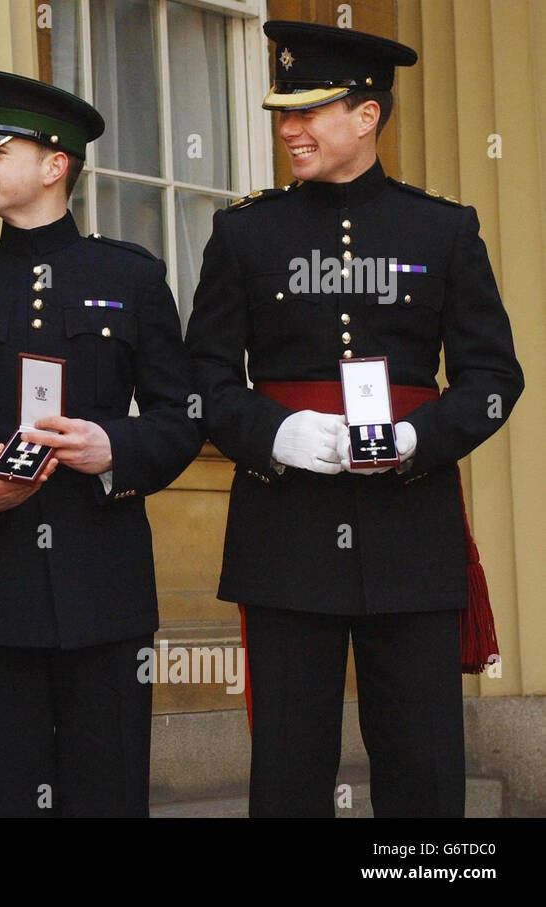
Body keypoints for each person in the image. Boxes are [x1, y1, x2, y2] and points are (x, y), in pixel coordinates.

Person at [185, 20, 523, 817]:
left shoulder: (442, 229)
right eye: (282, 112)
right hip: (286, 529)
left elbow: (494, 377)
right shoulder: (244, 231)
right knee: (289, 766)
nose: (287, 130)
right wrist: (274, 434)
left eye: (308, 112)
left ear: (367, 114)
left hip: (412, 529)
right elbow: (200, 380)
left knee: (426, 764)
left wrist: (419, 438)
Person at [0, 71, 201, 817]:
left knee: (110, 796)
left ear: (55, 163)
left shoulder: (131, 278)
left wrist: (113, 448)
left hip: (106, 592)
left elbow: (183, 414)